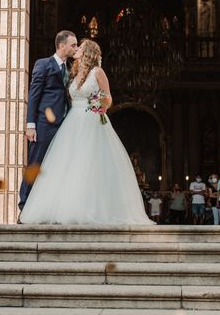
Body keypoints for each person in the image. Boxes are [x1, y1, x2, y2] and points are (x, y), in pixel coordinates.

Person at [19, 39, 153, 225]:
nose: (76, 49)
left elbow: (108, 98)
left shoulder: (98, 72)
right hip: (73, 122)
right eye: (75, 45)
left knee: (89, 164)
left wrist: (99, 104)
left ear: (88, 52)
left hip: (91, 120)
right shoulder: (74, 72)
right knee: (68, 165)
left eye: (79, 47)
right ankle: (65, 207)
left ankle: (91, 209)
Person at [19, 30, 78, 214]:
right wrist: (30, 125)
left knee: (57, 166)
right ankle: (24, 205)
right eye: (73, 45)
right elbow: (34, 94)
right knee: (35, 163)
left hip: (64, 125)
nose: (75, 48)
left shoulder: (69, 68)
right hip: (44, 124)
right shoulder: (43, 64)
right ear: (61, 45)